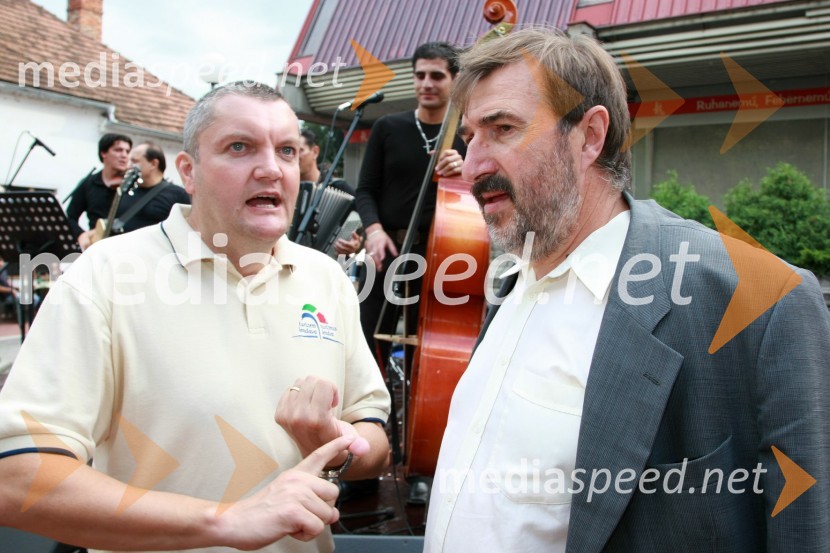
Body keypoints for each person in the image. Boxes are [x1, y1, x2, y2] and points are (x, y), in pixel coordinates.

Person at [425, 28, 829, 552]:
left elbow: (805, 531)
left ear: (590, 136)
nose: (474, 165)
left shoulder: (758, 303)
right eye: (469, 137)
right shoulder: (507, 283)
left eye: (502, 129)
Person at [0, 82, 391, 553]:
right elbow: (16, 478)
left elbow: (374, 438)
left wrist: (338, 445)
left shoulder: (327, 277)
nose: (270, 168)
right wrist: (227, 522)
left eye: (287, 150)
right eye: (239, 147)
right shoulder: (103, 275)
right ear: (189, 170)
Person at [354, 41, 466, 357]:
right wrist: (373, 231)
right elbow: (364, 191)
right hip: (384, 249)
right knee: (368, 341)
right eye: (420, 75)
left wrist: (465, 170)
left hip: (441, 255)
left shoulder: (467, 134)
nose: (426, 84)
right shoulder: (387, 127)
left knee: (428, 350)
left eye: (436, 75)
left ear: (455, 79)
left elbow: (484, 195)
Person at [298, 129, 361, 256]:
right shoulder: (285, 188)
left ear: (315, 152)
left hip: (328, 262)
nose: (295, 156)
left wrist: (358, 241)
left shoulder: (338, 187)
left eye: (300, 150)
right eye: (290, 150)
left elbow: (364, 216)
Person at [66, 133, 133, 249]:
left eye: (127, 151)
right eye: (118, 150)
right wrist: (81, 235)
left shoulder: (133, 183)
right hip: (95, 245)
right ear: (103, 153)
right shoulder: (89, 182)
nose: (124, 155)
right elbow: (71, 216)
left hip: (124, 246)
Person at [109, 141, 192, 233]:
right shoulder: (126, 190)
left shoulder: (179, 195)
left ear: (153, 163)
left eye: (135, 161)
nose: (129, 166)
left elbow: (191, 231)